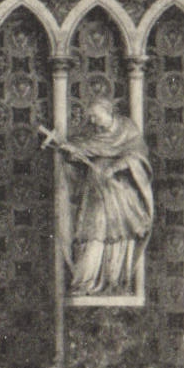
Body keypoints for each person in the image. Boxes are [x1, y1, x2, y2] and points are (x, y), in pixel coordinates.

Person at [40, 97, 154, 297]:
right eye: (90, 117)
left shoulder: (128, 130)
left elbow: (138, 156)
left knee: (120, 236)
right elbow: (80, 153)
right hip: (95, 191)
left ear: (108, 112)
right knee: (93, 232)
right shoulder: (93, 135)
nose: (92, 120)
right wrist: (72, 156)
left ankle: (115, 281)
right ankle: (85, 281)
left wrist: (115, 167)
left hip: (120, 191)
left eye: (95, 115)